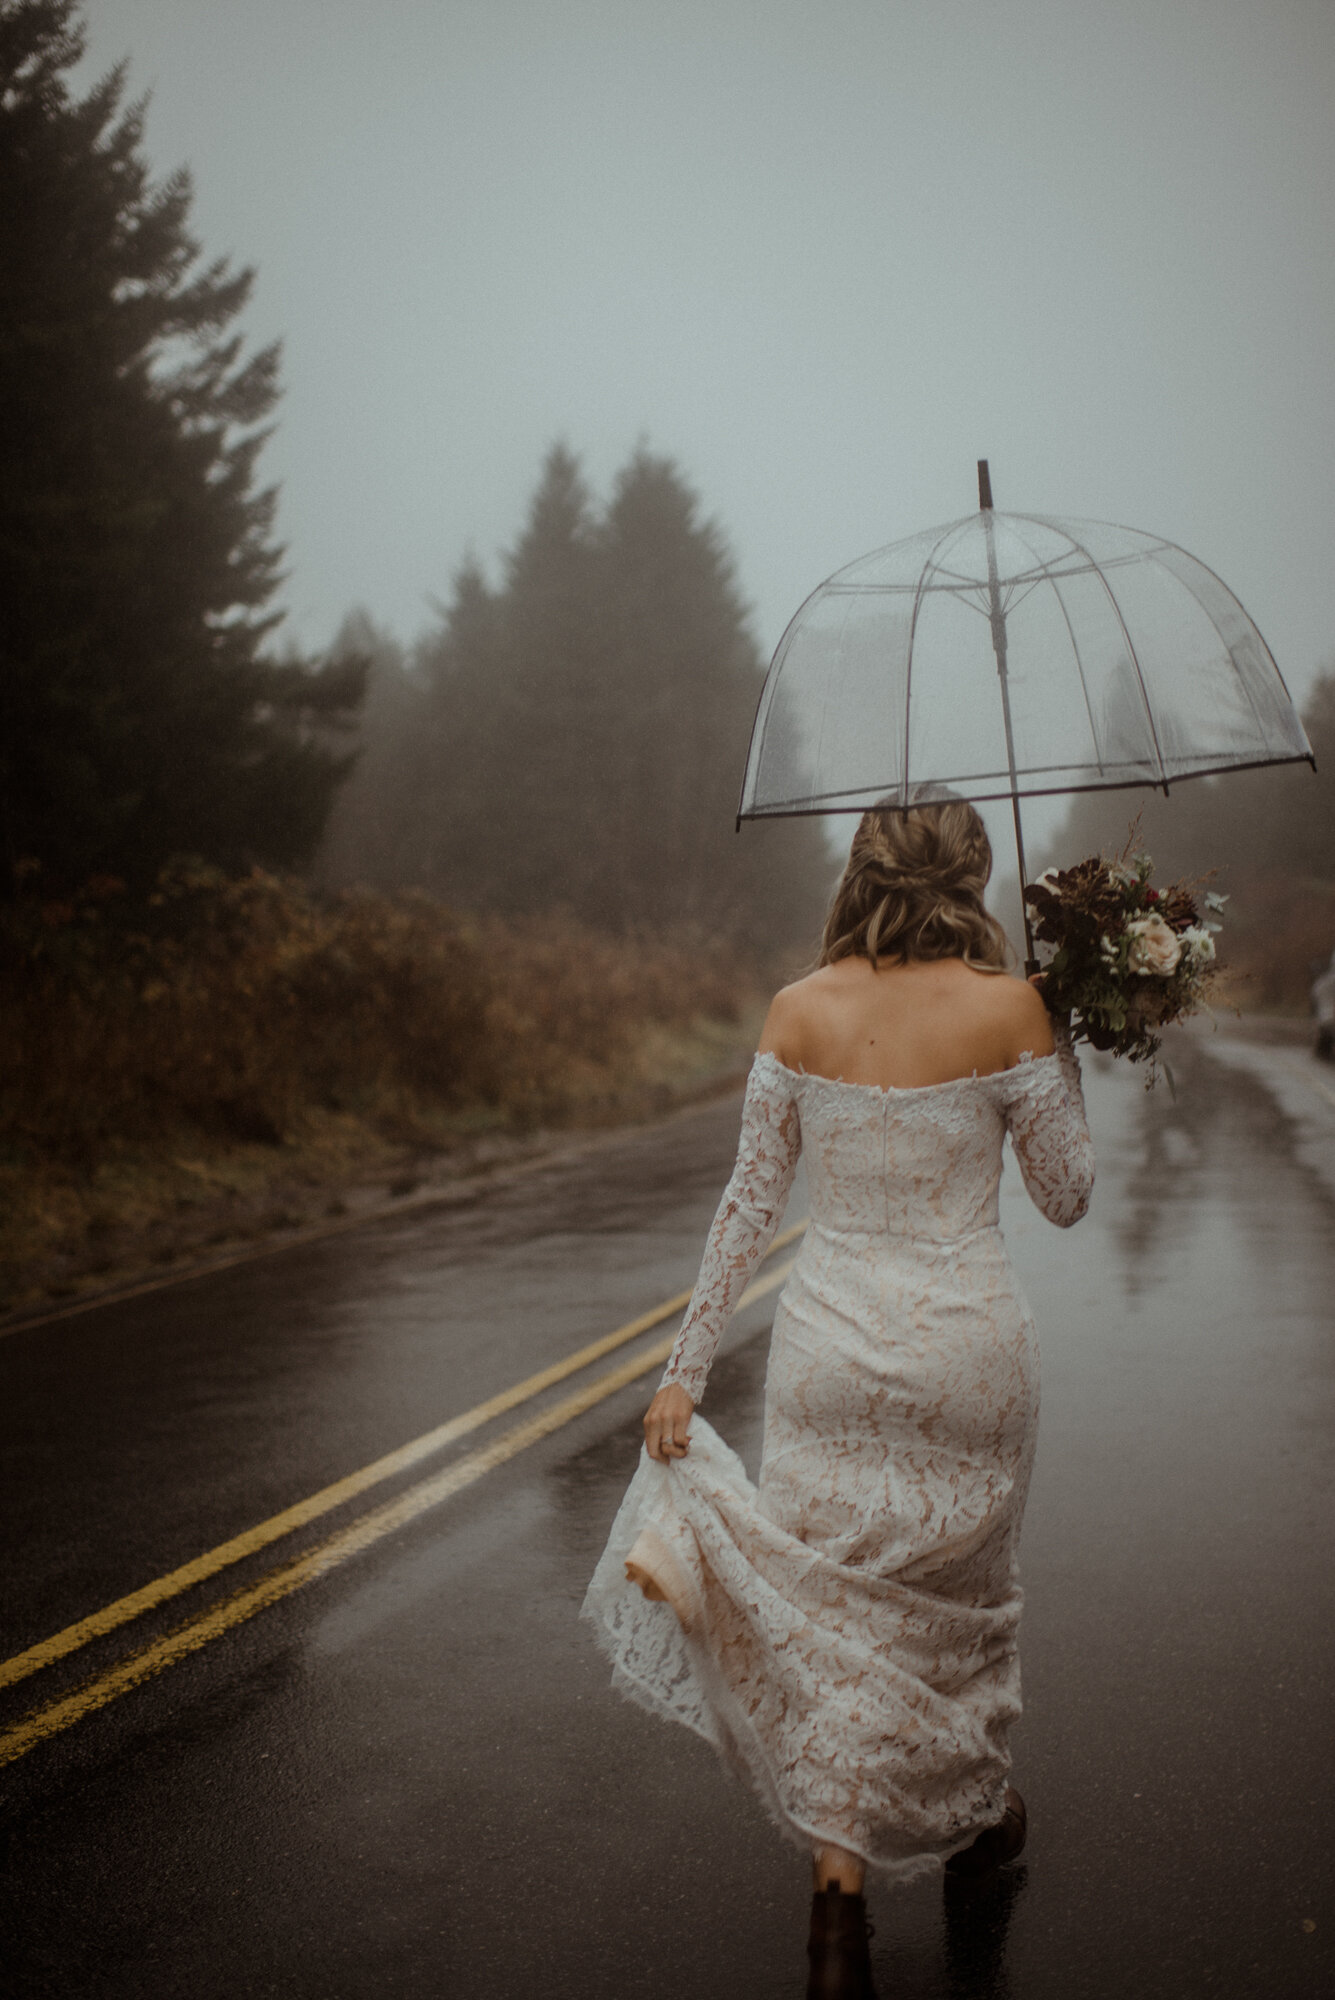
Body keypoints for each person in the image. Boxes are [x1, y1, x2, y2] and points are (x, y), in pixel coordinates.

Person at [582, 800, 1094, 2000]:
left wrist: (684, 1370)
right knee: (954, 1605)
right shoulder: (1010, 1004)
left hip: (830, 1359)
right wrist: (1057, 1036)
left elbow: (745, 1212)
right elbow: (1066, 1195)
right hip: (972, 1355)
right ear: (971, 874)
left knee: (840, 1613)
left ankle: (837, 1903)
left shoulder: (798, 1009)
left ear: (858, 870)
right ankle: (979, 1810)